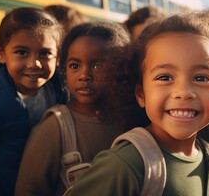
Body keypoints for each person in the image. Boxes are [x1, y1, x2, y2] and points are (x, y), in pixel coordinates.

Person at [68, 9, 209, 195]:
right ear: (140, 94)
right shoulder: (124, 165)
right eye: (165, 77)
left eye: (201, 78)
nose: (183, 92)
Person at [15, 22, 130, 196]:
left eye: (98, 66)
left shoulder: (132, 119)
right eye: (75, 66)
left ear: (121, 69)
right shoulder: (54, 128)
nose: (84, 75)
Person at [0, 7, 67, 196]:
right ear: (1, 53)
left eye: (45, 54)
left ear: (58, 57)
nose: (34, 63)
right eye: (22, 52)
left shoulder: (58, 90)